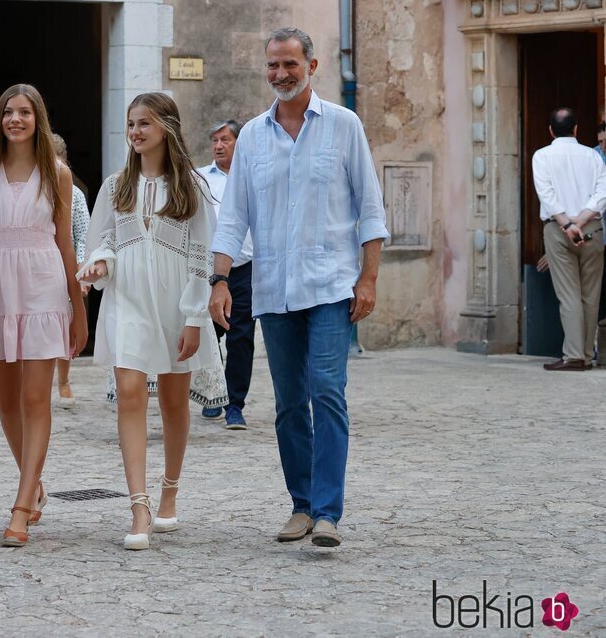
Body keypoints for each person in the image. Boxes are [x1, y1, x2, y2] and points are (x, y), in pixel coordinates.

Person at [210, 28, 389, 548]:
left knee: (327, 392)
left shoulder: (343, 126)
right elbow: (233, 218)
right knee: (289, 402)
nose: (281, 74)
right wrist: (220, 279)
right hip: (273, 289)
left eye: (290, 64)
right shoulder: (253, 138)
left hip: (332, 286)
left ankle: (329, 511)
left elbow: (370, 209)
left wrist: (369, 278)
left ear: (313, 66)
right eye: (273, 65)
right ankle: (302, 505)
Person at [80, 92, 218, 550]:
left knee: (175, 403)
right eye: (131, 124)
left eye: (145, 124)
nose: (136, 132)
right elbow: (100, 240)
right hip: (128, 301)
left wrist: (197, 316)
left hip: (178, 303)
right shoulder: (115, 185)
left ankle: (169, 494)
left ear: (167, 128)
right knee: (131, 393)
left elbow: (202, 255)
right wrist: (99, 263)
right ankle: (138, 506)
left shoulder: (192, 188)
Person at [0, 84, 88, 547]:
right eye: (8, 112)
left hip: (43, 286)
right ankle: (35, 485)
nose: (15, 119)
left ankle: (21, 504)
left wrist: (78, 308)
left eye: (24, 112)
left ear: (38, 119)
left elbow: (66, 245)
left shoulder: (58, 174)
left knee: (35, 400)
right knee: (7, 403)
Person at [532, 107, 606, 371]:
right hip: (592, 227)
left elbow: (547, 194)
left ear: (551, 130)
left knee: (569, 294)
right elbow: (602, 193)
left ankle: (573, 355)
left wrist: (567, 224)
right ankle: (586, 354)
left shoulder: (541, 156)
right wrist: (581, 222)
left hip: (558, 229)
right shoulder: (593, 157)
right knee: (590, 294)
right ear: (576, 129)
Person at [196, 119, 255, 429]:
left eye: (225, 140)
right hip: (207, 271)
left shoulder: (252, 177)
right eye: (215, 140)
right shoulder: (201, 179)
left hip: (245, 270)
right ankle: (212, 394)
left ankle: (234, 404)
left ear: (239, 143)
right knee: (208, 332)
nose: (218, 146)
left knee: (241, 337)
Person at [51, 132, 91, 408]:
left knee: (66, 327)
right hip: (36, 267)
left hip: (66, 268)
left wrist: (81, 271)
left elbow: (83, 234)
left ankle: (63, 379)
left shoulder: (74, 194)